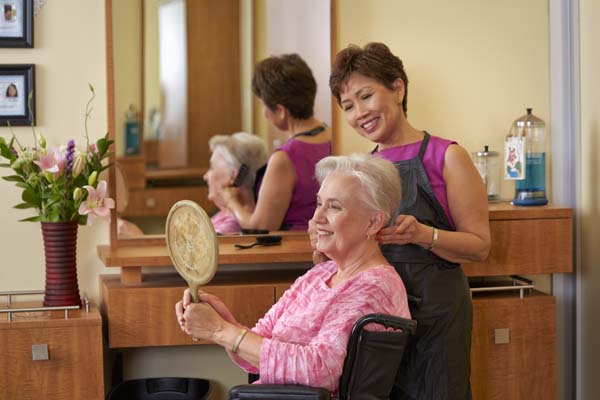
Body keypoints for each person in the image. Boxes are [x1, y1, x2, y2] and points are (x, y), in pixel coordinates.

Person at [319, 42, 491, 400]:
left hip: (437, 315)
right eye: (348, 106)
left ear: (398, 88)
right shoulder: (357, 172)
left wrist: (423, 234)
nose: (358, 113)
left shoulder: (447, 157)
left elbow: (480, 246)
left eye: (366, 96)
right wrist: (325, 237)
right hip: (375, 317)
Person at [176, 153, 410, 395]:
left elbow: (320, 371)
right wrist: (221, 321)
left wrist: (220, 330)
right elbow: (254, 353)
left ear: (373, 223)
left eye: (334, 207)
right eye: (319, 204)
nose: (317, 218)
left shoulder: (375, 286)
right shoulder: (320, 275)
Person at [219, 54, 332, 231]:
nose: (264, 113)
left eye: (264, 105)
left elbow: (262, 226)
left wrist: (231, 201)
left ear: (280, 111)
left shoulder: (285, 157)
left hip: (292, 250)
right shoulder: (334, 138)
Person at [203, 132, 268, 234]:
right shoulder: (228, 214)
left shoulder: (230, 227)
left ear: (233, 176)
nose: (205, 176)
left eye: (212, 167)